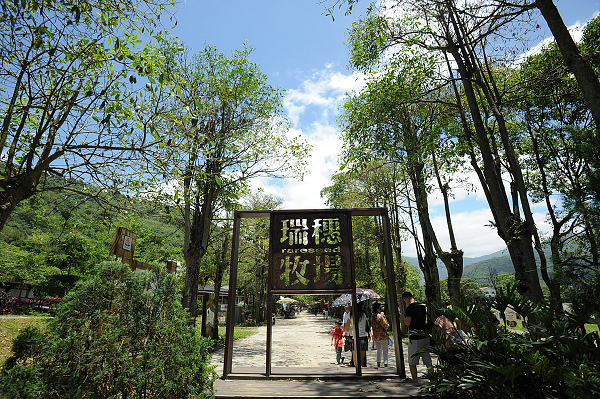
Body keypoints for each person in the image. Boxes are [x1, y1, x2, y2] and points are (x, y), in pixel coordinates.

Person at [400, 291, 433, 381]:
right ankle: (433, 379)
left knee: (412, 361)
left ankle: (415, 379)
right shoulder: (422, 305)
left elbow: (408, 322)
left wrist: (403, 318)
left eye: (404, 301)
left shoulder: (410, 308)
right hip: (425, 335)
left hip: (415, 337)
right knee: (427, 360)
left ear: (406, 298)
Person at [371, 302, 390, 368]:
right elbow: (385, 326)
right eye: (380, 308)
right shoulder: (381, 316)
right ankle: (386, 365)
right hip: (383, 336)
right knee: (385, 351)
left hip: (376, 337)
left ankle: (378, 364)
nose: (381, 309)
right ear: (377, 309)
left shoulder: (372, 317)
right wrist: (386, 321)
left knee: (378, 351)